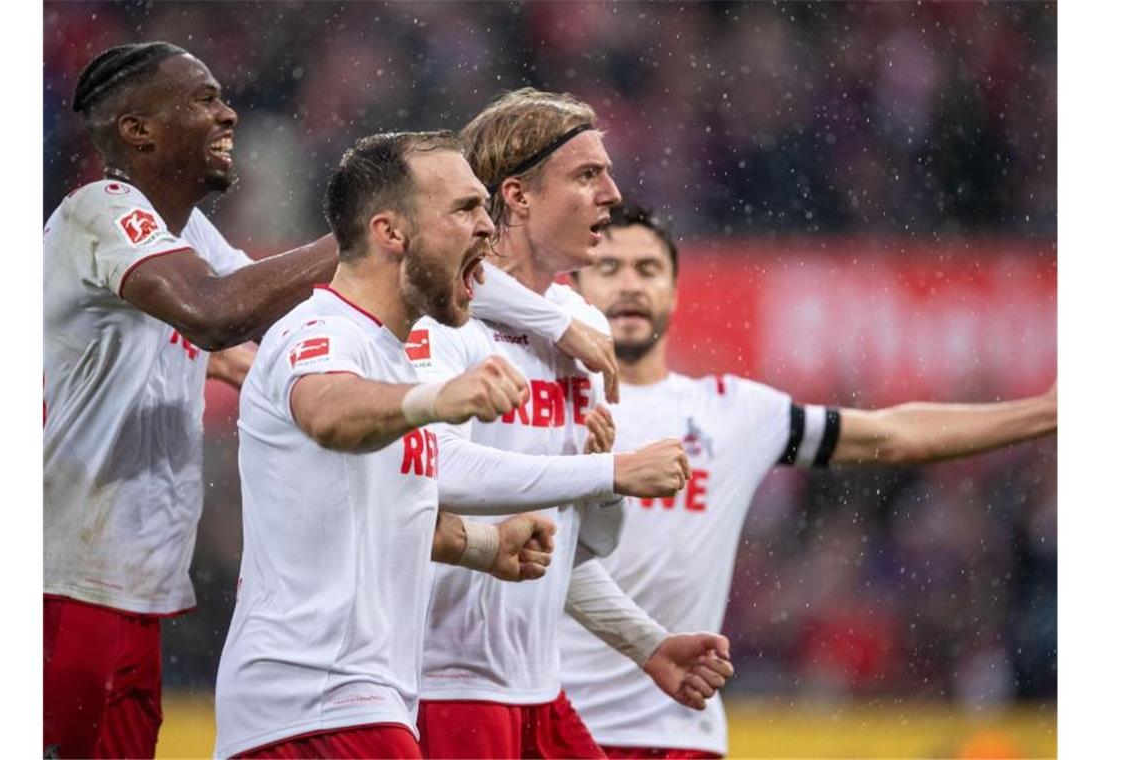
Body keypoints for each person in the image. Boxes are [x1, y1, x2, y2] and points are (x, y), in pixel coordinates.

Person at [43, 42, 620, 759]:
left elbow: (389, 482)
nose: (227, 111)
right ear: (138, 129)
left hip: (144, 590)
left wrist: (483, 542)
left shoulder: (197, 247)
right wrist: (384, 219)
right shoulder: (100, 211)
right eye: (201, 99)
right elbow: (221, 312)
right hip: (72, 586)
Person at [560, 203, 1059, 759]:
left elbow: (890, 435)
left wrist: (1045, 412)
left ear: (676, 293)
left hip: (677, 734)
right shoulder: (543, 405)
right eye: (610, 267)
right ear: (576, 288)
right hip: (553, 722)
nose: (630, 283)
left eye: (648, 269)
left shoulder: (731, 411)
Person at [213, 130, 580, 759]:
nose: (488, 227)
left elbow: (378, 511)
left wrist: (485, 546)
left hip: (345, 708)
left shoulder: (393, 357)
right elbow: (327, 411)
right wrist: (437, 401)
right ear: (390, 233)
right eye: (465, 209)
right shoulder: (321, 328)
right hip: (317, 703)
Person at [410, 90, 734, 760]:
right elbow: (432, 479)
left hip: (538, 690)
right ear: (518, 196)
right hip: (442, 684)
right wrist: (609, 470)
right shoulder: (440, 321)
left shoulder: (579, 327)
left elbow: (572, 550)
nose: (611, 194)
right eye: (587, 175)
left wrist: (646, 642)